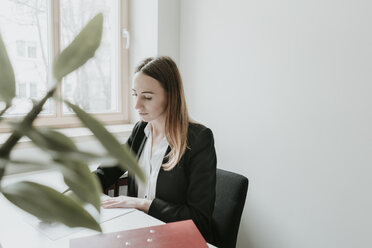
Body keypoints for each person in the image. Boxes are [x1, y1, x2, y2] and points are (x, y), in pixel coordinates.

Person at [94, 56, 216, 243]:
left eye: (147, 97)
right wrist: (74, 191)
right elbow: (106, 172)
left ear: (171, 96)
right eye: (135, 94)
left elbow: (199, 221)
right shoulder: (141, 131)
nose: (137, 105)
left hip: (177, 240)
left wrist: (143, 204)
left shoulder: (199, 139)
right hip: (141, 234)